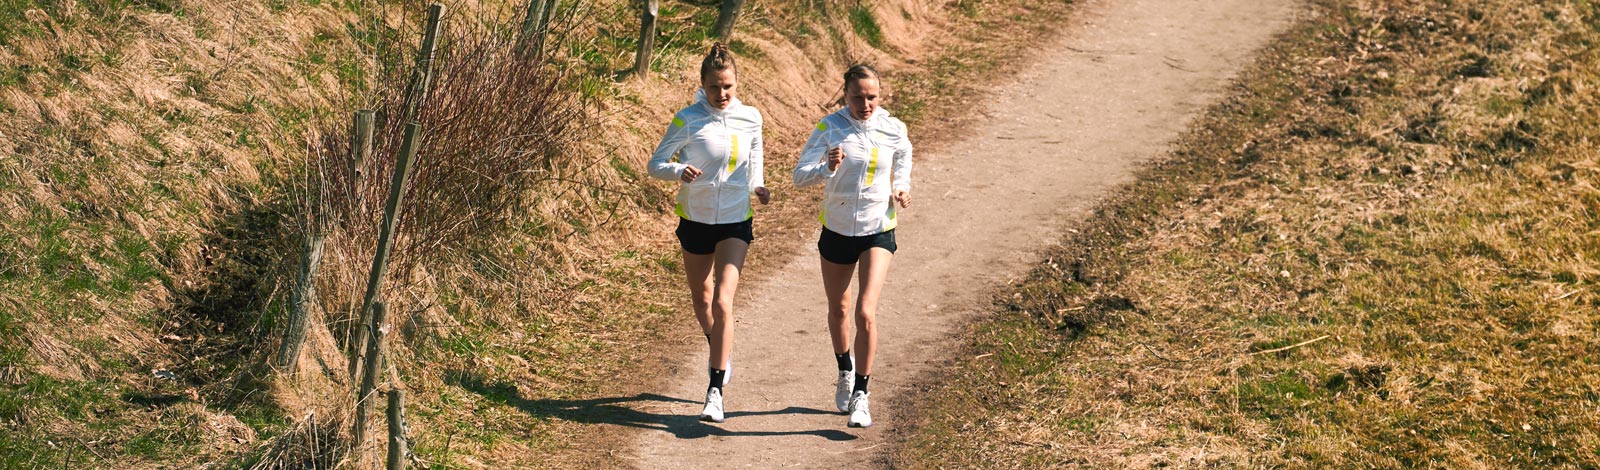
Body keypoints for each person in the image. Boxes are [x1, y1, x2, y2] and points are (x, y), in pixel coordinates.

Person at [647, 43, 769, 424]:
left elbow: (756, 165)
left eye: (728, 86)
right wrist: (677, 172)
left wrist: (759, 188)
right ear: (703, 85)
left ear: (737, 84)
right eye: (715, 87)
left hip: (735, 220)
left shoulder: (751, 117)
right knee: (701, 299)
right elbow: (656, 164)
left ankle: (715, 389)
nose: (722, 94)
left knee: (722, 300)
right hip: (696, 218)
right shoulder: (687, 119)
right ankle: (720, 346)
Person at [793, 64, 913, 428]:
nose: (866, 104)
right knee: (839, 309)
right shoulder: (830, 129)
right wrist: (827, 167)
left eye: (872, 96)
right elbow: (799, 176)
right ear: (845, 95)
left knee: (865, 312)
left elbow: (903, 158)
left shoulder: (893, 128)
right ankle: (844, 368)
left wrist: (902, 186)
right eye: (858, 97)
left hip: (878, 228)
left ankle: (862, 393)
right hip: (838, 229)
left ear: (881, 95)